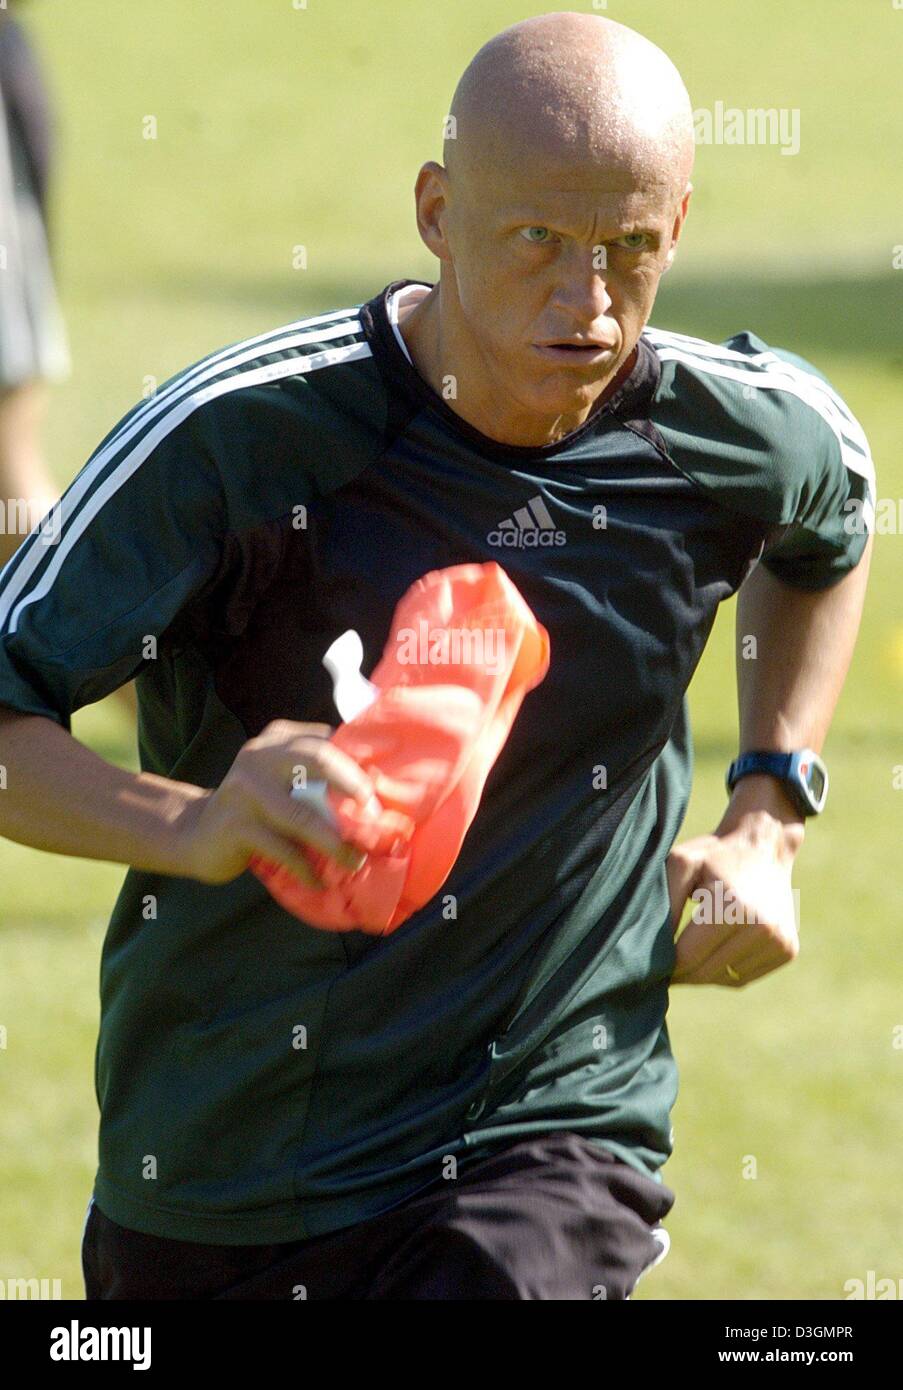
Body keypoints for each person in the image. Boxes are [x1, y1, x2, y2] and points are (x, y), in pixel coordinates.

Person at [0, 12, 874, 1300]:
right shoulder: (235, 442)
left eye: (630, 249)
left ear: (677, 227)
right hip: (220, 1161)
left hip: (548, 1135)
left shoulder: (732, 436)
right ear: (435, 210)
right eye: (536, 241)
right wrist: (193, 824)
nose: (587, 303)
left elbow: (833, 523)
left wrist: (770, 812)